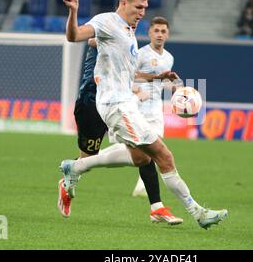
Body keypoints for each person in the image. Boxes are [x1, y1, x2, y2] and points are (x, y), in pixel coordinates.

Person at [59, 0, 228, 229]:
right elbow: (74, 36)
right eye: (138, 7)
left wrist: (158, 78)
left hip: (122, 104)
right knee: (163, 155)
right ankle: (198, 212)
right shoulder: (106, 22)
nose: (142, 13)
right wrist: (73, 11)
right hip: (117, 106)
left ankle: (75, 166)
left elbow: (128, 73)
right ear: (124, 2)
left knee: (140, 158)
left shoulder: (128, 31)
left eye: (145, 8)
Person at [57, 29, 183, 224]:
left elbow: (131, 74)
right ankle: (71, 174)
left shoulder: (129, 44)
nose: (136, 19)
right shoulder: (107, 30)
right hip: (91, 101)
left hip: (118, 105)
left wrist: (160, 79)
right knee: (88, 156)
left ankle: (157, 207)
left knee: (146, 149)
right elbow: (90, 40)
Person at [130, 16, 182, 199]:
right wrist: (136, 92)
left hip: (156, 110)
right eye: (156, 31)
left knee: (154, 149)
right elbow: (127, 76)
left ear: (168, 34)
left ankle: (141, 186)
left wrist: (176, 89)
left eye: (163, 31)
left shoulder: (169, 58)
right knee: (142, 151)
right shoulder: (140, 54)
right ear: (149, 32)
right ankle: (87, 162)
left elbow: (163, 83)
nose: (160, 34)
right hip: (137, 108)